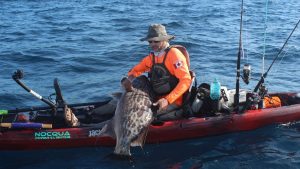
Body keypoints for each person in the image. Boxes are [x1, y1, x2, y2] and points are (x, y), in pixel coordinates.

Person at [126, 24, 192, 120]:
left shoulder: (174, 54)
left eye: (156, 41)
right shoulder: (152, 57)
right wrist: (129, 79)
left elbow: (186, 80)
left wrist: (167, 100)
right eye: (150, 41)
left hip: (174, 101)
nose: (152, 44)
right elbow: (135, 71)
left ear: (164, 39)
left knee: (143, 118)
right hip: (155, 99)